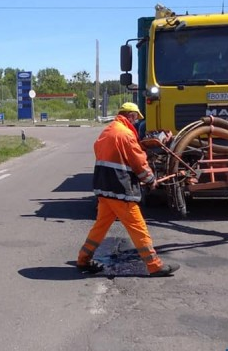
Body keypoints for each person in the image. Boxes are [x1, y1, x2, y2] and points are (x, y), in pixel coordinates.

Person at [76, 102, 180, 277]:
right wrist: (150, 180)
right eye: (136, 118)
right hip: (120, 190)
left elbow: (110, 155)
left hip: (104, 188)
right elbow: (138, 161)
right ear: (130, 116)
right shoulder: (125, 135)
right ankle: (154, 266)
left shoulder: (108, 131)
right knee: (138, 227)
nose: (136, 122)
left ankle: (83, 259)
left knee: (100, 226)